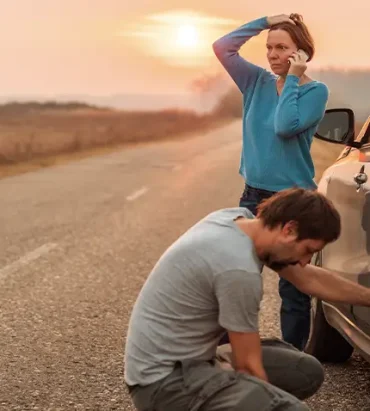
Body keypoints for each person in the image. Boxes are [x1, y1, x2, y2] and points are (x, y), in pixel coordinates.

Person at [124, 188, 370, 411]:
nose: (305, 261)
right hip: (163, 383)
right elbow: (249, 367)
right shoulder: (238, 270)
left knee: (305, 372)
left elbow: (309, 279)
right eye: (308, 250)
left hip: (194, 360)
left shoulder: (235, 221)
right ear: (289, 229)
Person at [213, 13, 329, 350]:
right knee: (236, 278)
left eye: (282, 48)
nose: (273, 54)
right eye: (269, 47)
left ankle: (294, 360)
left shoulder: (315, 92)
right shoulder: (255, 82)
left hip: (294, 200)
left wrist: (293, 78)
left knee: (292, 289)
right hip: (254, 197)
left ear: (301, 53)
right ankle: (224, 354)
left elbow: (284, 125)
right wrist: (266, 21)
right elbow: (223, 47)